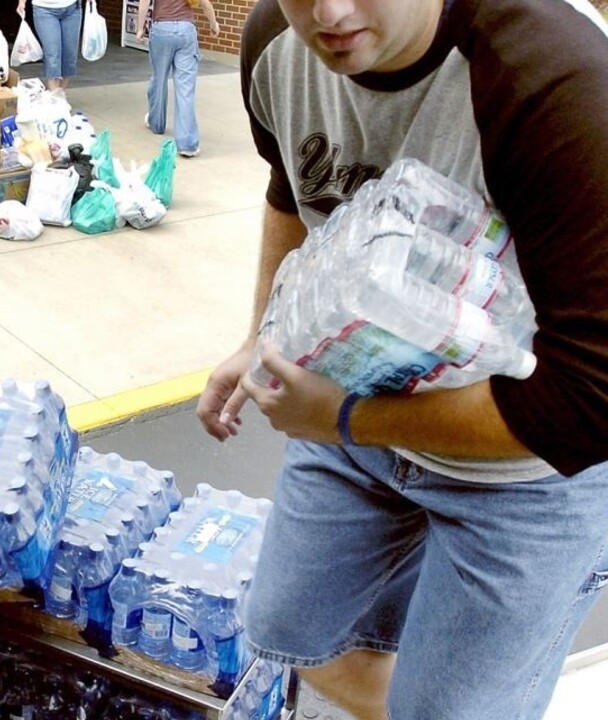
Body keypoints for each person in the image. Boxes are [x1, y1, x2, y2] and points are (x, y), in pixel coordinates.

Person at [196, 1, 608, 719]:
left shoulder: (559, 81)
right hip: (355, 402)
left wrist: (344, 419)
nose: (329, 13)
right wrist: (263, 336)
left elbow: (587, 403)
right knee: (283, 633)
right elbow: (289, 191)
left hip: (527, 470)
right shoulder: (276, 42)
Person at [136, 0, 220, 158]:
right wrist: (213, 24)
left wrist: (140, 28)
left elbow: (144, 1)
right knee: (185, 89)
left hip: (161, 29)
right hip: (186, 30)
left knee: (158, 80)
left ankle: (156, 123)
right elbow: (205, 3)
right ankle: (187, 144)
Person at [18, 0, 82, 93]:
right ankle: (54, 95)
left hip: (72, 8)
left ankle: (60, 94)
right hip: (44, 9)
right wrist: (22, 2)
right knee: (52, 55)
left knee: (69, 56)